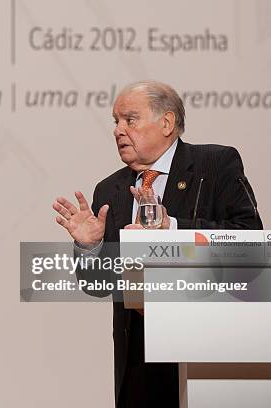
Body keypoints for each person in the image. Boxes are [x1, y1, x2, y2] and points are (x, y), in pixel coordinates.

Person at [52, 80, 262, 407]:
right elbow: (98, 284)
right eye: (115, 121)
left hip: (209, 349)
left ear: (166, 123)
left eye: (129, 119)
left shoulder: (215, 164)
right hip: (139, 360)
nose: (118, 130)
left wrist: (172, 228)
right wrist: (90, 248)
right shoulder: (110, 190)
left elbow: (249, 236)